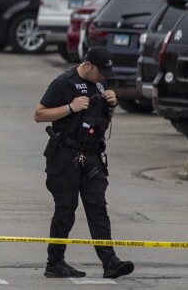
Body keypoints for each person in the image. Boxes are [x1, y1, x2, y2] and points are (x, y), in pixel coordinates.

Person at [33, 46, 134, 279]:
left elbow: (101, 120)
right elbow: (39, 114)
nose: (104, 78)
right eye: (101, 72)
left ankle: (110, 262)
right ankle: (55, 262)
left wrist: (112, 105)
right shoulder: (63, 83)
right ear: (88, 65)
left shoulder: (100, 84)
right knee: (66, 210)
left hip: (92, 156)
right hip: (65, 157)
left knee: (98, 207)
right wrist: (70, 107)